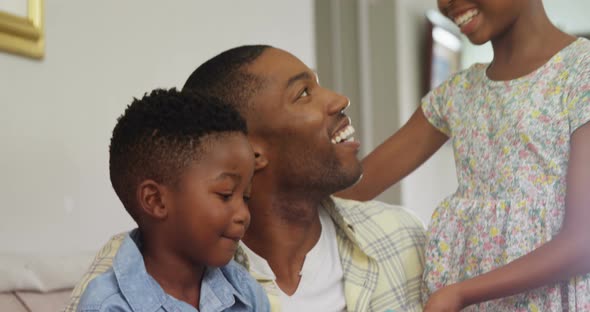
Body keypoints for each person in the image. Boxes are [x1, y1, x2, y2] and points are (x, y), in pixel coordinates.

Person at [66, 45, 427, 312]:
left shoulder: (403, 236)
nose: (338, 100)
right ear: (249, 150)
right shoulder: (127, 274)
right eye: (303, 93)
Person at [336, 0, 590, 311]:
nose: (445, 2)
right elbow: (352, 189)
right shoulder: (457, 94)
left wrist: (461, 293)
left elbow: (583, 243)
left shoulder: (581, 74)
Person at [76, 89, 270, 312]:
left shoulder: (245, 292)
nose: (244, 214)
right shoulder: (107, 306)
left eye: (245, 197)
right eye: (226, 195)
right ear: (155, 200)